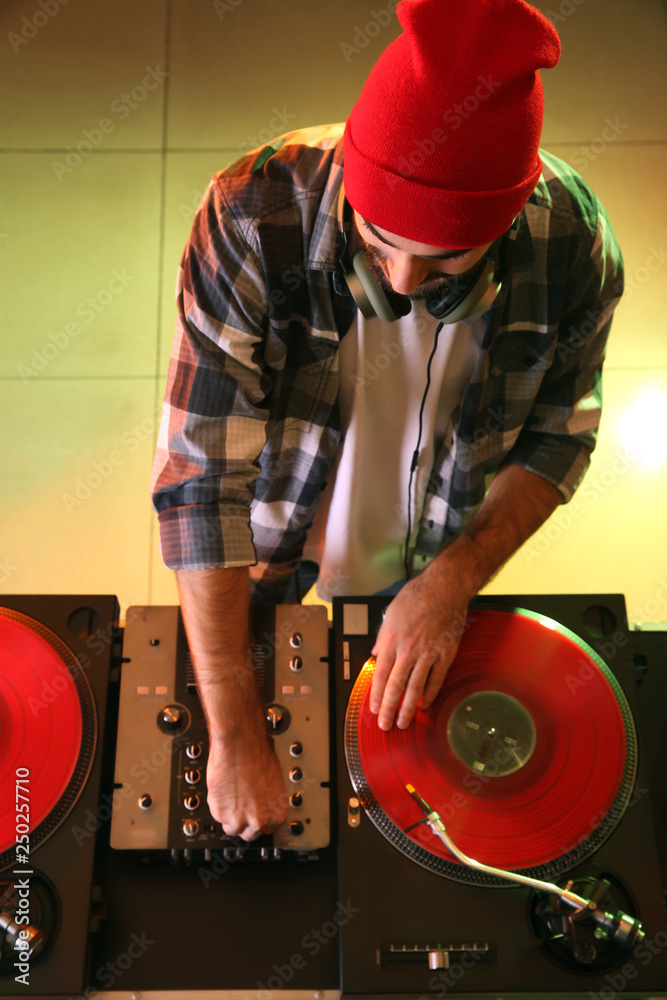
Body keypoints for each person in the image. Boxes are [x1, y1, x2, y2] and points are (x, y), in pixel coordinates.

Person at [151, 0, 623, 842]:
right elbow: (200, 482)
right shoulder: (250, 214)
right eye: (375, 244)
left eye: (445, 261)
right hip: (266, 539)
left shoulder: (573, 241)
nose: (400, 285)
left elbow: (559, 436)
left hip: (434, 545)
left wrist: (451, 580)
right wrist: (235, 733)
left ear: (509, 223)